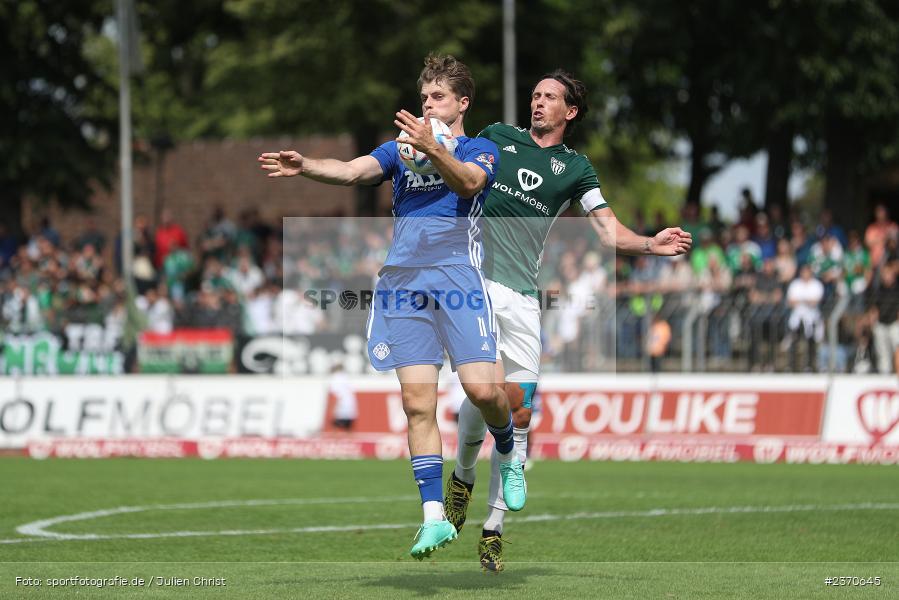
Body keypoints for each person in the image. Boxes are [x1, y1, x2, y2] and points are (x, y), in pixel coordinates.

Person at [257, 54, 524, 559]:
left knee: (483, 390)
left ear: (462, 104)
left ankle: (508, 450)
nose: (427, 105)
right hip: (403, 284)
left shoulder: (479, 148)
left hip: (458, 279)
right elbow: (354, 170)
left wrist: (433, 147)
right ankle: (433, 518)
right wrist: (307, 166)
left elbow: (468, 183)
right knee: (416, 403)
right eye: (424, 97)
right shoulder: (401, 149)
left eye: (438, 97)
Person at [446, 70, 692, 571]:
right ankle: (463, 473)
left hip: (523, 299)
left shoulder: (576, 168)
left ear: (570, 112)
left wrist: (648, 243)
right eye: (535, 95)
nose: (538, 103)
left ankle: (493, 529)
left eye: (550, 97)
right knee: (483, 392)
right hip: (478, 286)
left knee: (516, 414)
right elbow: (455, 162)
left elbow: (607, 230)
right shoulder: (497, 137)